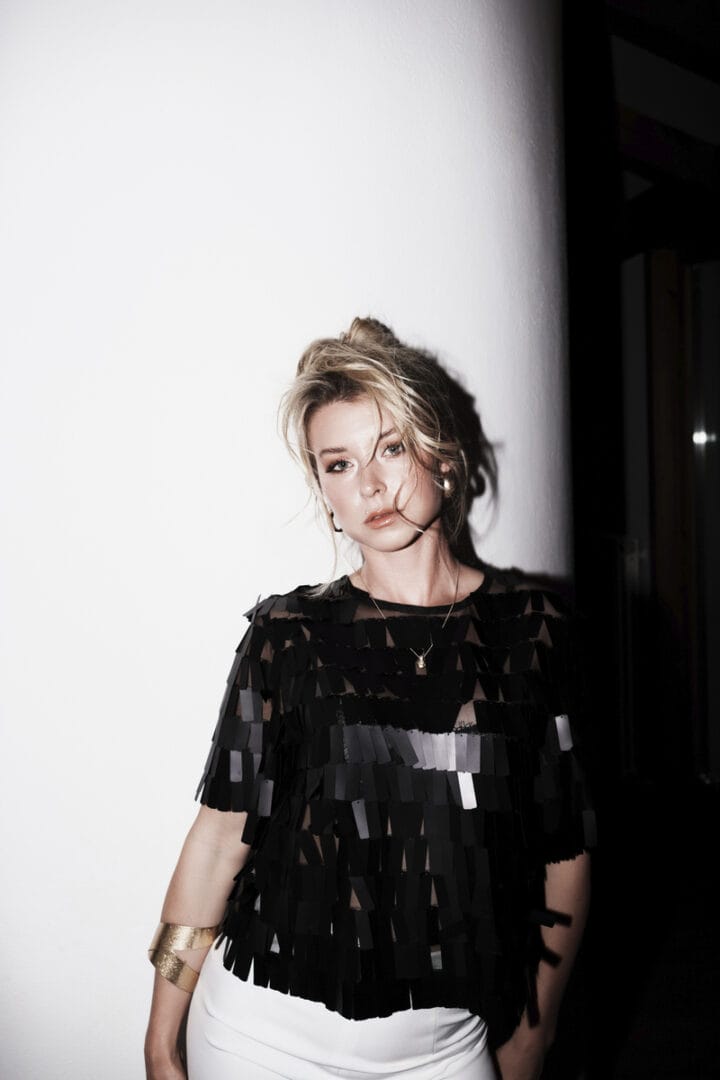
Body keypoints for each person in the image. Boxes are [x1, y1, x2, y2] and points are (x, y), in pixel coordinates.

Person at [144, 317, 595, 1080]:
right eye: (339, 464)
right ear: (325, 493)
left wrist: (534, 1032)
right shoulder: (288, 635)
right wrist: (161, 1039)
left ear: (441, 457)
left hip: (445, 1049)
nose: (371, 486)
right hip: (259, 1038)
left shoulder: (531, 629)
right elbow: (218, 840)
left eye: (390, 448)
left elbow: (566, 853)